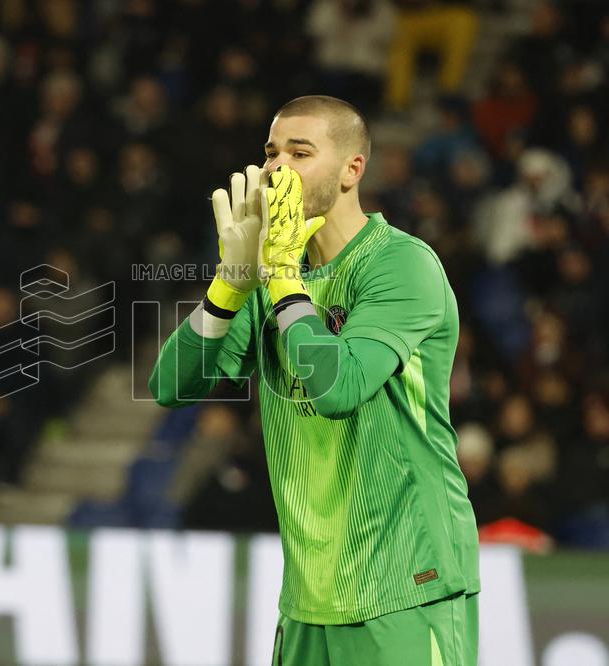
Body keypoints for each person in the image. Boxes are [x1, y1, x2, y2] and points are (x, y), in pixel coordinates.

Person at [150, 95, 478, 665]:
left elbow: (337, 388)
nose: (277, 168)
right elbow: (172, 387)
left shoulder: (402, 265)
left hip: (405, 586)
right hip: (308, 597)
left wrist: (280, 276)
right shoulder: (274, 271)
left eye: (300, 153)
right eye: (272, 153)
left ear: (353, 169)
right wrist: (231, 283)